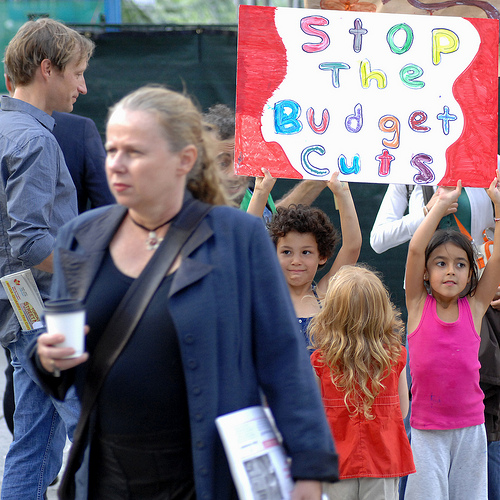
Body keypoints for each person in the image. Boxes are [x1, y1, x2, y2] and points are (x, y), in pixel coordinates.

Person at [33, 85, 339, 500]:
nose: (116, 165)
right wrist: (48, 359)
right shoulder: (81, 237)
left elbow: (283, 357)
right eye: (112, 150)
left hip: (204, 475)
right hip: (106, 475)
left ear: (185, 160)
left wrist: (309, 467)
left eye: (135, 152)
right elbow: (63, 360)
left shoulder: (239, 237)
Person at [0, 18, 94, 499]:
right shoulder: (34, 139)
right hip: (46, 307)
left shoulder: (10, 129)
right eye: (77, 72)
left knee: (33, 443)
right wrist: (101, 260)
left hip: (22, 308)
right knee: (98, 434)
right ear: (47, 69)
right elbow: (31, 243)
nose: (83, 85)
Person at [370, 182, 500, 500]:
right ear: (425, 273)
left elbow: (496, 259)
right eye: (440, 263)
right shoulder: (417, 305)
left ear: (472, 274)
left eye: (460, 264)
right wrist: (441, 205)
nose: (450, 271)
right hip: (428, 431)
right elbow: (416, 249)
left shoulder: (475, 308)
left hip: (471, 430)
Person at [309, 265, 415, 500]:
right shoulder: (396, 356)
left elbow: (314, 415)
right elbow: (403, 410)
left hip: (335, 465)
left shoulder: (320, 361)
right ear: (382, 312)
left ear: (332, 313)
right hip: (383, 464)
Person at [267, 173, 362, 345]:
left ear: (322, 256)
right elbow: (242, 248)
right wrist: (260, 192)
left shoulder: (324, 296)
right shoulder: (264, 294)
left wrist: (342, 193)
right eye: (287, 252)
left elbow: (352, 246)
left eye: (306, 252)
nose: (296, 260)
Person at [203, 103, 330, 219]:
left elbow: (271, 223)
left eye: (240, 159)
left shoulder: (252, 188)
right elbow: (246, 240)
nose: (235, 173)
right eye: (222, 164)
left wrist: (318, 181)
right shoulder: (196, 214)